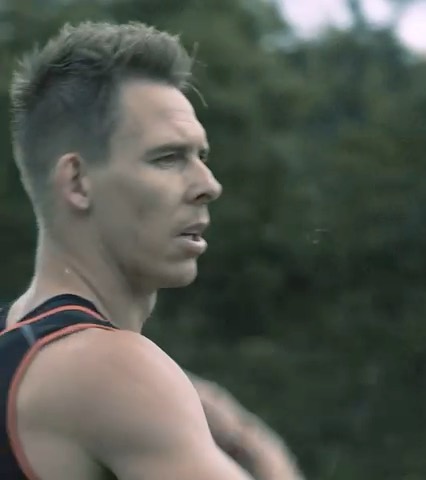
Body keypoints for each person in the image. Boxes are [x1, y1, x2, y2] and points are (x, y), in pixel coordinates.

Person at [0, 20, 303, 480]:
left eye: (201, 156)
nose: (209, 185)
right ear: (77, 182)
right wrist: (250, 440)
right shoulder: (111, 368)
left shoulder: (20, 348)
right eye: (167, 158)